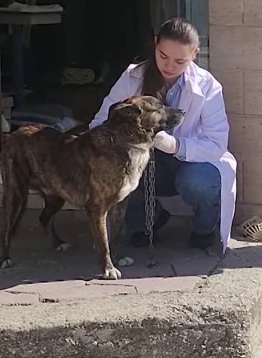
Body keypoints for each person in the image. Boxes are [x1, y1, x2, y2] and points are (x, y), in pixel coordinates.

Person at [90, 17, 238, 250]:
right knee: (116, 171)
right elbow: (99, 123)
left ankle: (205, 227)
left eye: (180, 61)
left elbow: (216, 143)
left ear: (195, 54)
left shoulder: (207, 86)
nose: (169, 66)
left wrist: (174, 145)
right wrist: (126, 140)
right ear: (155, 44)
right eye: (163, 56)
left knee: (200, 182)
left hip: (188, 163)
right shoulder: (132, 77)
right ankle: (146, 222)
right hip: (142, 163)